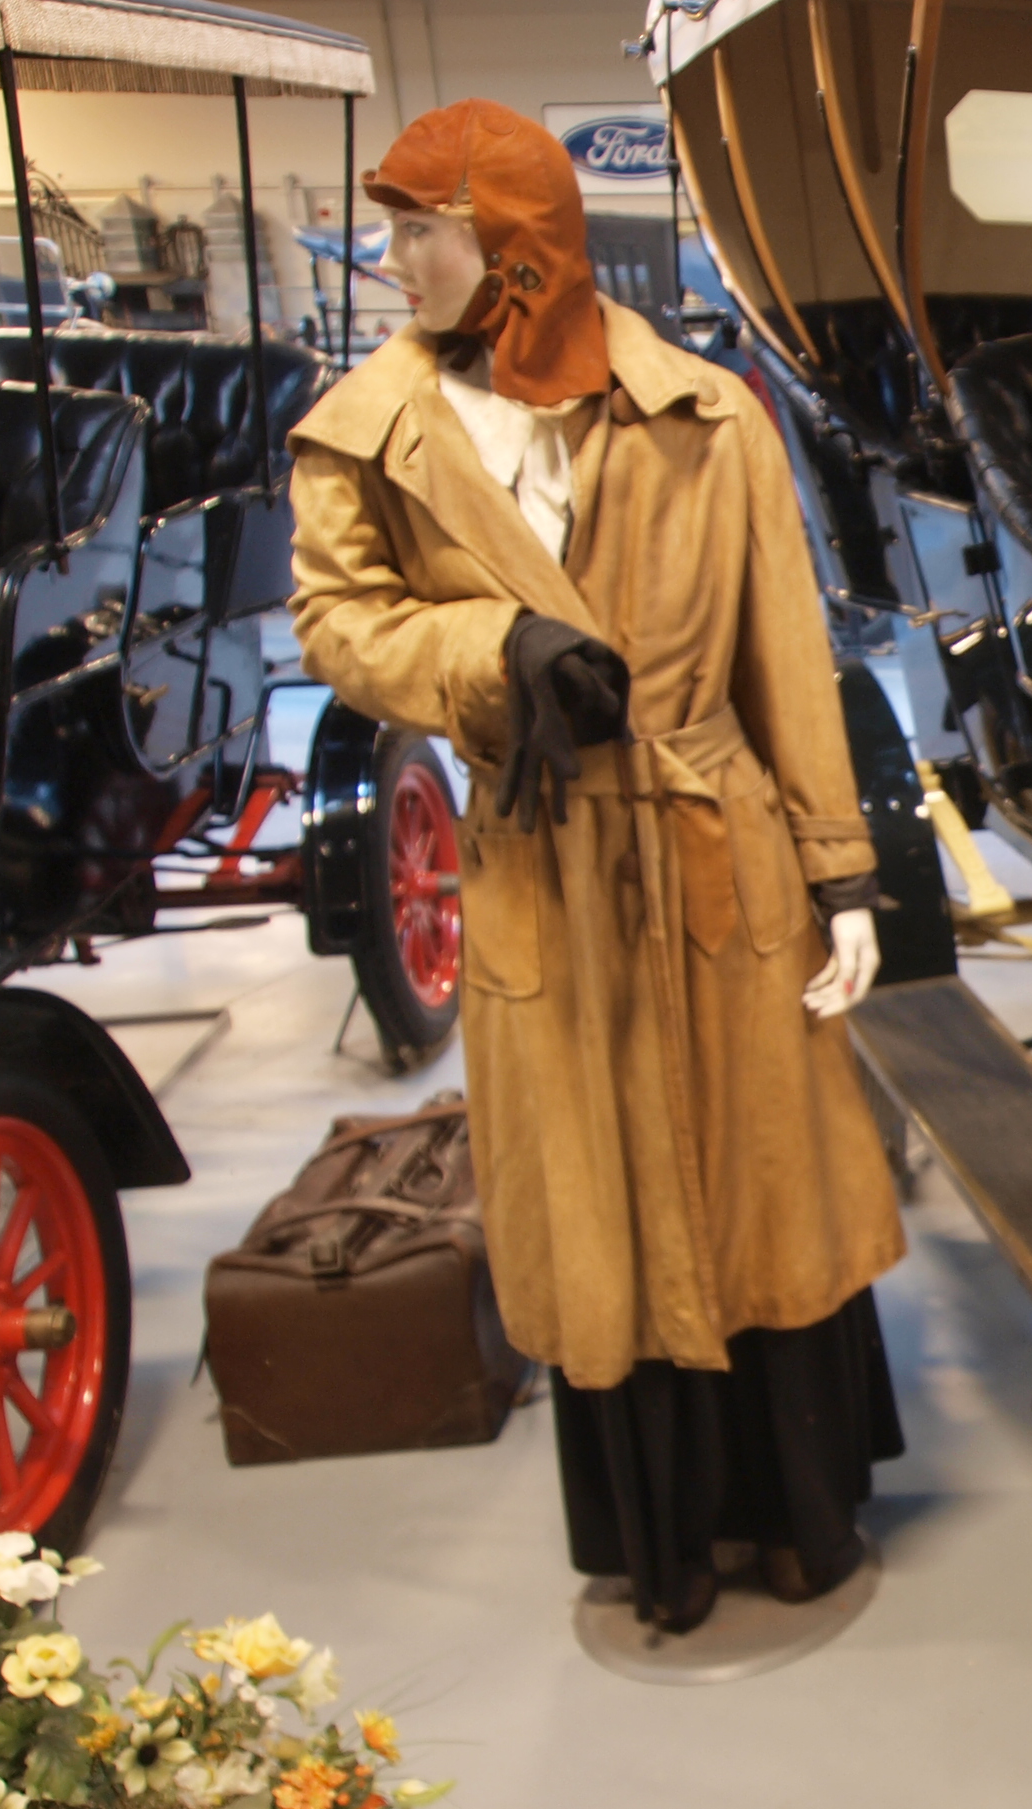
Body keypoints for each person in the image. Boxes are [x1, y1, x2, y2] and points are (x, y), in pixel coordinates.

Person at [289, 101, 905, 1636]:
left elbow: (789, 657)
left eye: (419, 230)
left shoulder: (703, 413)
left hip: (717, 853)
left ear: (511, 240)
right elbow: (336, 628)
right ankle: (665, 1543)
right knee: (594, 1206)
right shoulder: (367, 432)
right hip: (540, 864)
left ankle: (801, 1518)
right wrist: (489, 650)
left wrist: (842, 873)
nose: (394, 262)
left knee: (769, 1183)